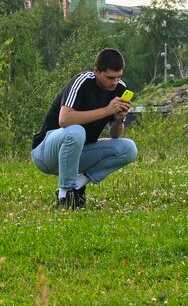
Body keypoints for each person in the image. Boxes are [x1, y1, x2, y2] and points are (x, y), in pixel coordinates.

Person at [31, 48, 138, 210]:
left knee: (128, 148)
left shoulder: (119, 89)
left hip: (77, 154)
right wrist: (107, 111)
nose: (115, 82)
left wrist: (118, 119)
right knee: (76, 131)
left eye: (118, 77)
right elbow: (64, 119)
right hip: (46, 153)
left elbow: (115, 134)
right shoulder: (82, 82)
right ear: (96, 71)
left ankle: (78, 187)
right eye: (110, 77)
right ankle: (64, 195)